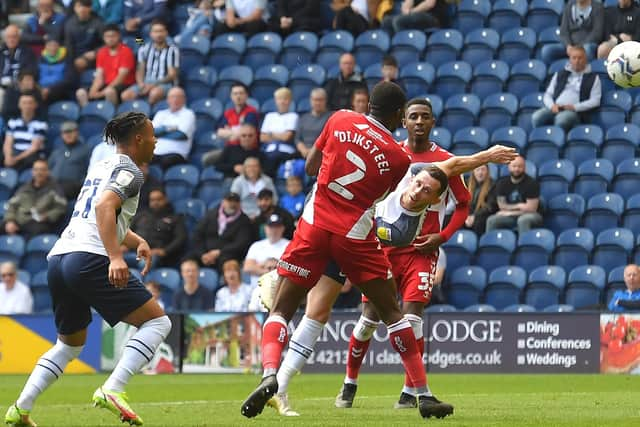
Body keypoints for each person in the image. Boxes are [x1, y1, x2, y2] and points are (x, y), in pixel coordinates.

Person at [264, 100, 516, 416]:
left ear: (433, 122)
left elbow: (456, 180)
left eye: (425, 116)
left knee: (395, 316)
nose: (419, 122)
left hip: (387, 242)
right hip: (365, 241)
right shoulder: (392, 154)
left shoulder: (427, 157)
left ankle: (412, 392)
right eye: (413, 116)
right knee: (350, 316)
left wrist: (443, 234)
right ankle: (341, 383)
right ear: (403, 120)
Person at [240, 81, 440, 421]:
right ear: (397, 115)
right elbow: (377, 198)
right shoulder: (398, 157)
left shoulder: (340, 118)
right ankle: (421, 393)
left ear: (367, 104)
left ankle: (271, 373)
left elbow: (309, 167)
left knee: (283, 307)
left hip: (314, 225)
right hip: (354, 236)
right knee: (391, 312)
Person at [3, 111, 171, 427]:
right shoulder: (131, 171)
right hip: (89, 258)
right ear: (138, 139)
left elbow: (99, 214)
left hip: (60, 257)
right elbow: (105, 207)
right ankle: (113, 389)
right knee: (158, 323)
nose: (155, 140)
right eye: (151, 135)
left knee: (69, 344)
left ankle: (20, 410)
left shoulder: (101, 164)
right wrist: (116, 257)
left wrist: (134, 240)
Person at [531, 45, 601, 132]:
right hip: (556, 107)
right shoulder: (560, 74)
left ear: (585, 60)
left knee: (561, 120)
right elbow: (548, 94)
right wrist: (552, 106)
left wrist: (574, 107)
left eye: (580, 58)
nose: (577, 61)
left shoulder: (593, 78)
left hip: (576, 112)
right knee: (536, 117)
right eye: (574, 58)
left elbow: (596, 101)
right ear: (570, 60)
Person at [121, 20, 179, 106]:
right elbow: (140, 70)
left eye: (161, 31)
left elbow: (172, 75)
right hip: (146, 82)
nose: (158, 34)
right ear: (151, 34)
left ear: (166, 33)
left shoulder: (172, 50)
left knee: (154, 94)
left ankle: (147, 116)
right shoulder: (144, 48)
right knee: (125, 95)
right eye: (155, 31)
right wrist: (141, 84)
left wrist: (153, 85)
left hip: (165, 83)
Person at [191, 192, 254, 271]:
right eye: (229, 201)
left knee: (229, 264)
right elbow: (197, 234)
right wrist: (202, 254)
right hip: (206, 253)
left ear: (239, 204)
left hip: (228, 254)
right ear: (223, 202)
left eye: (235, 202)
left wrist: (219, 252)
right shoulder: (211, 214)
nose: (232, 204)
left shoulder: (244, 220)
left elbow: (241, 243)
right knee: (188, 260)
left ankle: (224, 282)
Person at [76, 24, 136, 107]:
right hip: (106, 84)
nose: (110, 39)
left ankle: (113, 116)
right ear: (104, 38)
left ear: (119, 36)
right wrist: (93, 91)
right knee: (81, 92)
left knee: (109, 92)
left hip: (123, 85)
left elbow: (121, 78)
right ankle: (88, 113)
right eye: (107, 36)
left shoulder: (126, 52)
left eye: (113, 36)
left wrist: (102, 92)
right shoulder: (102, 52)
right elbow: (99, 75)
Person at [485, 155, 544, 234]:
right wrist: (520, 206)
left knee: (523, 220)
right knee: (492, 220)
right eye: (514, 166)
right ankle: (491, 245)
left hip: (532, 215)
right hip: (511, 216)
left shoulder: (532, 183)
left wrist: (510, 212)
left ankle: (524, 245)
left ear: (524, 168)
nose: (517, 169)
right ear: (509, 167)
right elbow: (502, 206)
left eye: (520, 166)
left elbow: (531, 209)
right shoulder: (502, 183)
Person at [129, 188, 187, 268]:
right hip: (134, 251)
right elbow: (128, 231)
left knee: (144, 263)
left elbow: (180, 238)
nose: (155, 202)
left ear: (166, 199)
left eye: (159, 199)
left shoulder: (175, 218)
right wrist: (124, 245)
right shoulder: (141, 215)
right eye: (152, 200)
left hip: (155, 254)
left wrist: (165, 251)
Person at [151, 86, 196, 169]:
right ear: (167, 99)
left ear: (184, 99)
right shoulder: (161, 114)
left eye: (178, 97)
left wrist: (160, 133)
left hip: (176, 153)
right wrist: (166, 129)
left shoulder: (188, 114)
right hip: (155, 152)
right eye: (172, 97)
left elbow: (181, 135)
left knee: (166, 162)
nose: (175, 99)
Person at [3, 92, 47, 171]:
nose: (27, 106)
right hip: (15, 152)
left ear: (35, 105)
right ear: (19, 105)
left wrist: (16, 159)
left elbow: (34, 147)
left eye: (30, 103)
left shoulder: (41, 124)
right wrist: (8, 157)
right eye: (24, 103)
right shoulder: (13, 122)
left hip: (30, 155)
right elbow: (8, 143)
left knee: (31, 159)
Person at [259, 87, 298, 177]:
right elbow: (262, 137)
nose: (282, 102)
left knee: (272, 160)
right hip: (268, 149)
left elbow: (287, 137)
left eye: (285, 99)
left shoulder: (293, 116)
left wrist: (271, 134)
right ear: (276, 101)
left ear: (290, 101)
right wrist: (279, 135)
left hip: (286, 150)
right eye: (279, 99)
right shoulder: (269, 116)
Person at [243, 213, 290, 288]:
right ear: (265, 228)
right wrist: (273, 270)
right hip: (257, 291)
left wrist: (263, 265)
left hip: (280, 290)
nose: (274, 230)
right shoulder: (256, 246)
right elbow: (248, 267)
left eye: (277, 227)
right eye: (271, 227)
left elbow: (293, 268)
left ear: (283, 228)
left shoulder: (290, 246)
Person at [48, 120, 92, 199]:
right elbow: (48, 168)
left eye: (71, 131)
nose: (68, 135)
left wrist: (80, 184)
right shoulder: (58, 151)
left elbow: (90, 171)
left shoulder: (85, 150)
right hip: (54, 184)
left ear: (77, 133)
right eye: (65, 132)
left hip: (73, 186)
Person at [0, 25, 37, 114]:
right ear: (4, 38)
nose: (11, 40)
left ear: (19, 37)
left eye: (14, 37)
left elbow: (30, 71)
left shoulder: (27, 52)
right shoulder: (1, 52)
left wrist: (15, 81)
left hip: (20, 86)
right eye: (9, 37)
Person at [63, 0, 104, 73]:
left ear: (90, 8)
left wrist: (95, 52)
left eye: (85, 6)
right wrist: (74, 61)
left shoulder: (98, 22)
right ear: (74, 8)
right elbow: (69, 45)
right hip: (75, 58)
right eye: (79, 6)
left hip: (93, 57)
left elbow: (106, 43)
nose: (82, 9)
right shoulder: (69, 24)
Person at [216, 82, 260, 147]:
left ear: (246, 95)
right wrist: (236, 132)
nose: (238, 96)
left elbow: (245, 134)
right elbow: (219, 132)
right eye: (235, 94)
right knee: (208, 157)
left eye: (241, 93)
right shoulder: (228, 113)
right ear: (231, 96)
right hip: (229, 148)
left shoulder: (251, 112)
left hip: (246, 148)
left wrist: (229, 131)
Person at [37, 37, 76, 105]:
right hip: (41, 89)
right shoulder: (40, 59)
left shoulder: (66, 59)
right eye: (49, 45)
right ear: (46, 46)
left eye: (55, 45)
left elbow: (69, 80)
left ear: (59, 46)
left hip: (59, 91)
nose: (52, 48)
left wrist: (50, 89)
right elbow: (35, 76)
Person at [295, 88, 331, 159]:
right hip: (303, 154)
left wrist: (313, 151)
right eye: (315, 100)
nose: (317, 103)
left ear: (325, 101)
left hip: (322, 155)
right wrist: (303, 150)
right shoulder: (303, 118)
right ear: (310, 100)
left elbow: (330, 139)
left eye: (320, 100)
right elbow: (297, 139)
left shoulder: (331, 117)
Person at [381, 0, 449, 34]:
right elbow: (408, 2)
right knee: (386, 21)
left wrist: (412, 12)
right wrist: (406, 9)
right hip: (415, 16)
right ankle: (393, 49)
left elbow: (430, 4)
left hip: (433, 16)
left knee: (398, 21)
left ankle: (406, 46)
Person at [465, 164, 495, 235]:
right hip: (468, 215)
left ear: (487, 171)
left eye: (483, 170)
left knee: (478, 222)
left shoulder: (493, 185)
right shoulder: (467, 184)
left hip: (483, 215)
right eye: (477, 170)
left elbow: (490, 207)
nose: (480, 173)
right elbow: (462, 203)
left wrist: (474, 216)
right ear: (473, 172)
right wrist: (466, 217)